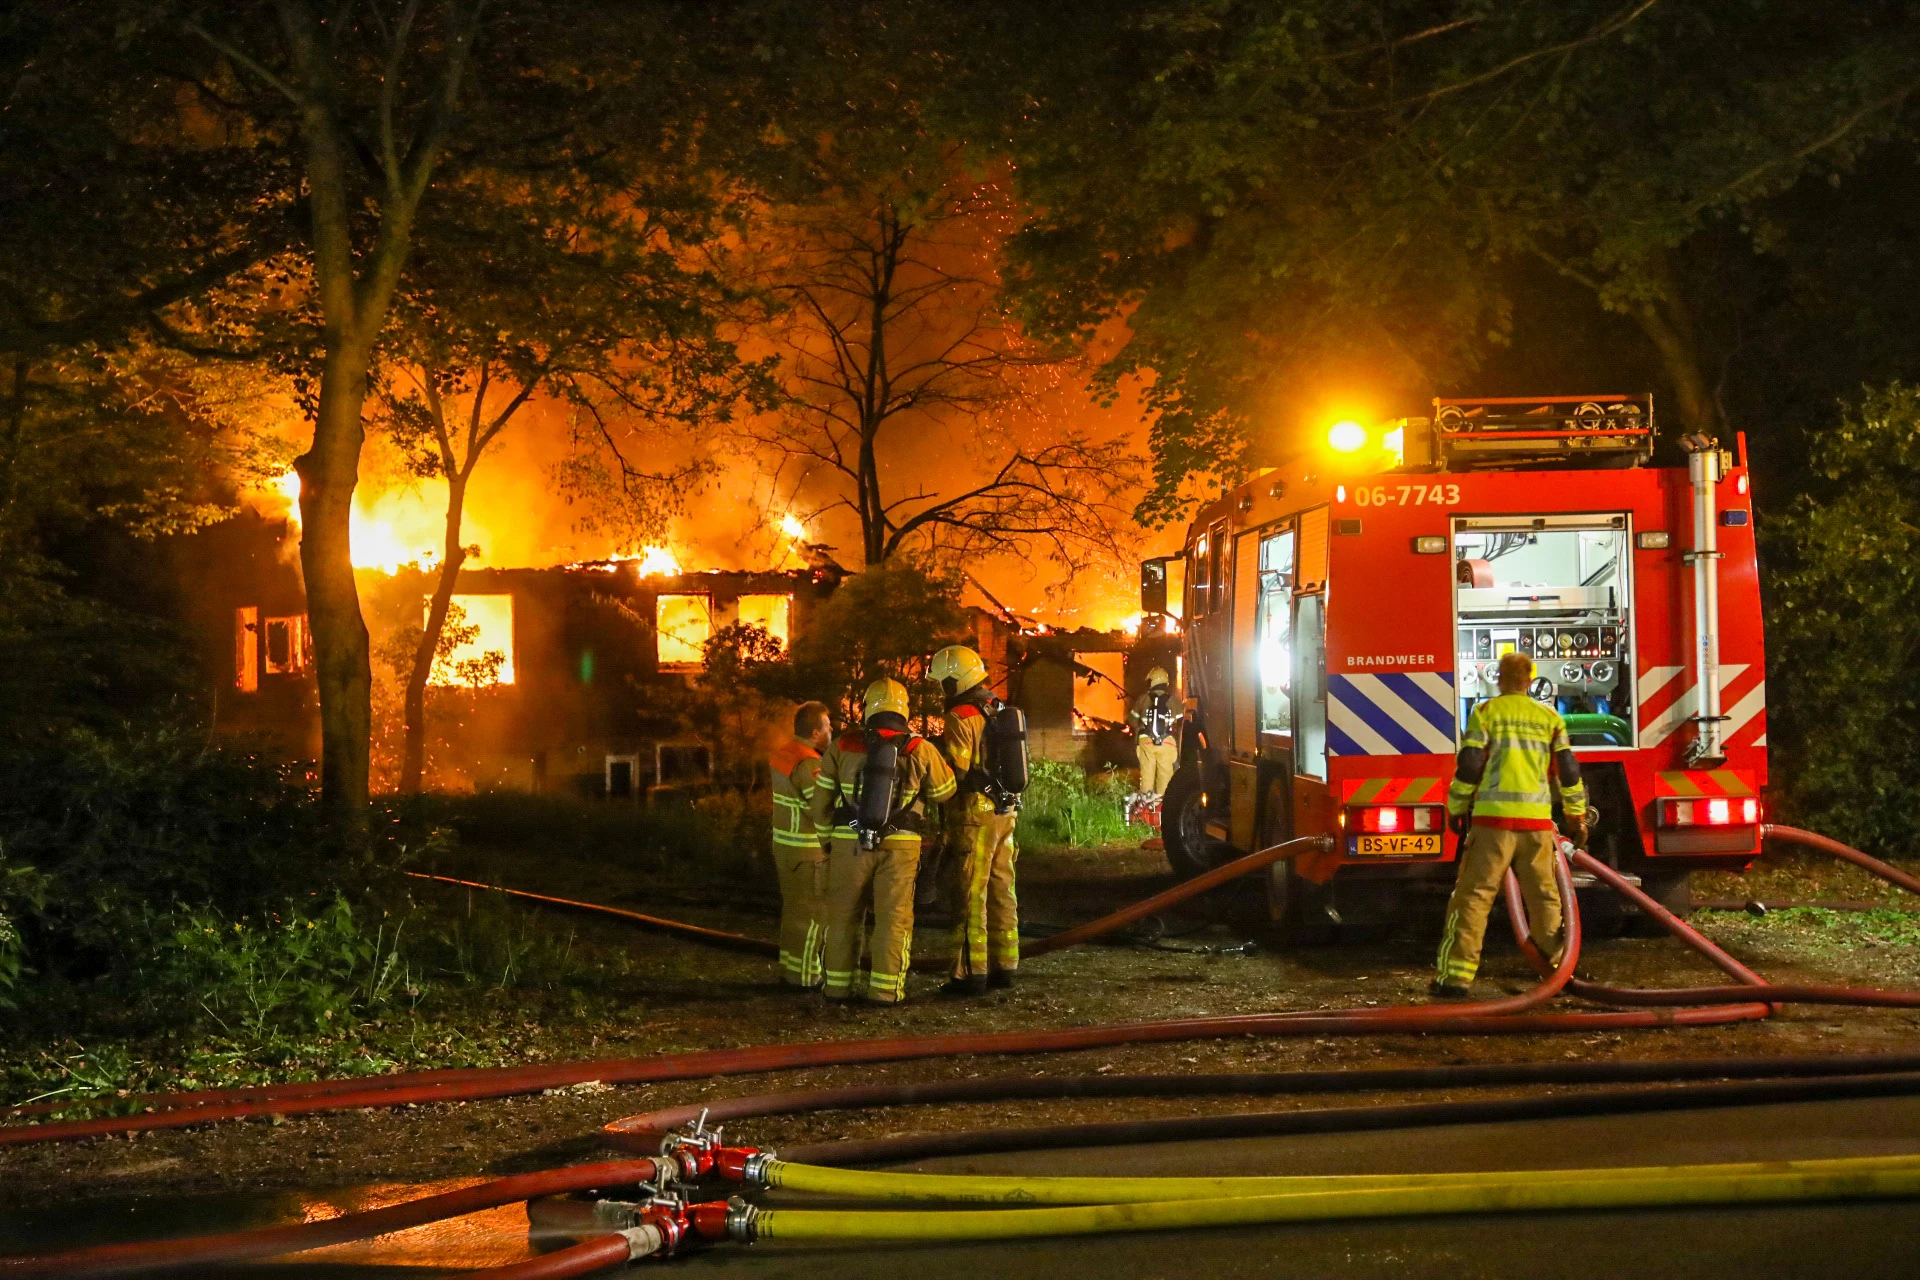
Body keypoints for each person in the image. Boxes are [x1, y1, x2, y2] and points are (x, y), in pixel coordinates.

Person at [1431, 650, 1589, 999]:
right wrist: (1576, 815)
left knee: (1473, 898)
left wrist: (1456, 806)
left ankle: (1455, 978)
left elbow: (1470, 764)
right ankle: (1556, 971)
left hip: (1493, 825)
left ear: (1498, 679)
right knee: (1544, 898)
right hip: (1537, 826)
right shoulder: (1550, 718)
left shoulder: (1485, 712)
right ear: (1530, 681)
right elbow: (1568, 770)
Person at [809, 678, 956, 1004]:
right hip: (901, 846)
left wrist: (826, 841)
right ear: (905, 710)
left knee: (843, 917)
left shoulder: (842, 746)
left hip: (848, 842)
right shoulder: (920, 748)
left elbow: (820, 803)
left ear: (867, 708)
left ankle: (837, 988)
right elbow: (944, 792)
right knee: (893, 920)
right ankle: (885, 991)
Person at [931, 645, 1021, 996]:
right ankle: (1005, 964)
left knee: (970, 893)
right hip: (1005, 812)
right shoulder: (998, 707)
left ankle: (970, 973)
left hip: (975, 816)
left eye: (944, 682)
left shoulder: (961, 715)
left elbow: (956, 770)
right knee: (1003, 890)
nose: (942, 689)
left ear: (955, 680)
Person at [770, 701, 833, 989]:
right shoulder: (809, 763)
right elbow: (820, 808)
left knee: (794, 913)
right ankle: (806, 977)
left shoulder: (783, 754)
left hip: (785, 847)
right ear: (815, 732)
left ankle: (790, 970)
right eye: (827, 726)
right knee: (812, 916)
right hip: (807, 851)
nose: (831, 730)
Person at [1129, 667, 1180, 800]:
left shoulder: (1142, 699)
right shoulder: (1173, 701)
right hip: (1167, 743)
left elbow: (1132, 721)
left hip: (1146, 742)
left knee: (1147, 774)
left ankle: (1146, 803)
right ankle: (1162, 805)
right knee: (1166, 777)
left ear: (1152, 681)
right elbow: (1181, 722)